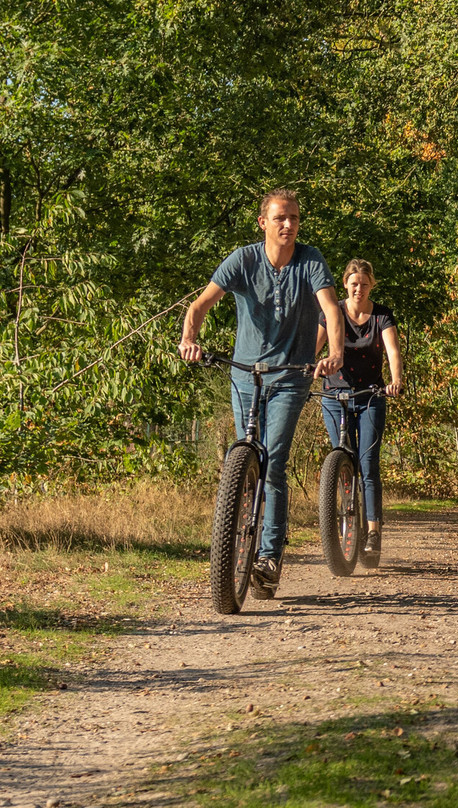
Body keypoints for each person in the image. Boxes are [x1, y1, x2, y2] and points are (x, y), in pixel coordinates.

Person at [178, 188, 344, 595]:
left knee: (273, 461)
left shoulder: (310, 260)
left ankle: (269, 554)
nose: (289, 225)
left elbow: (331, 309)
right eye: (281, 218)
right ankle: (233, 542)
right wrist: (189, 339)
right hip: (245, 375)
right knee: (244, 454)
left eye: (294, 218)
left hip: (291, 375)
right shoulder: (244, 259)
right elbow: (200, 305)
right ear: (263, 223)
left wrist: (335, 352)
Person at [315, 258, 403, 557]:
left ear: (371, 285)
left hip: (370, 396)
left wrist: (396, 380)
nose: (359, 290)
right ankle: (341, 516)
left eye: (364, 285)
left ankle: (373, 532)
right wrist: (304, 369)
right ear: (345, 284)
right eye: (354, 284)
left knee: (367, 465)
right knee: (342, 456)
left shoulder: (381, 315)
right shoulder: (333, 312)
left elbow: (392, 350)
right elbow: (314, 347)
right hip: (334, 395)